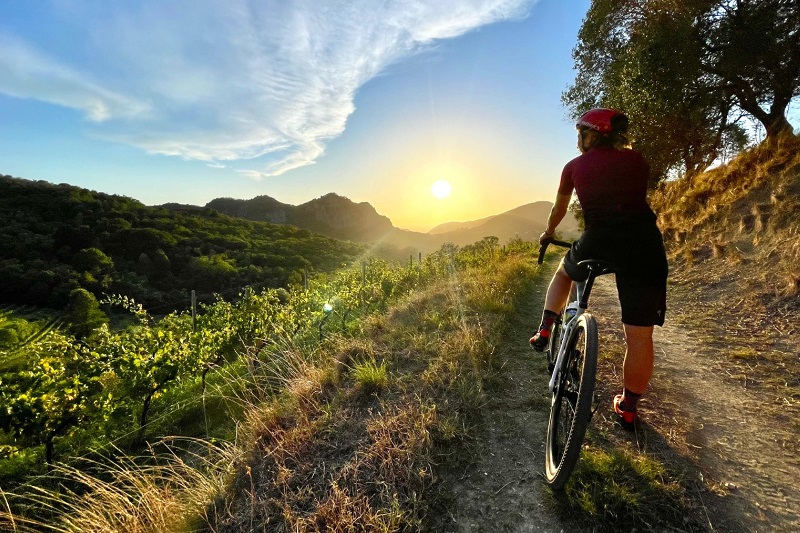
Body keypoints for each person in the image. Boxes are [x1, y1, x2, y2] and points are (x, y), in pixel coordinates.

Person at [530, 108, 668, 426]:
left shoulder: (573, 167)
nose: (579, 140)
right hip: (644, 244)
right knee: (639, 336)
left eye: (581, 134)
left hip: (600, 239)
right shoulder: (639, 161)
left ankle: (546, 328)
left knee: (564, 272)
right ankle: (628, 406)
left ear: (589, 136)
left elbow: (559, 208)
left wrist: (548, 234)